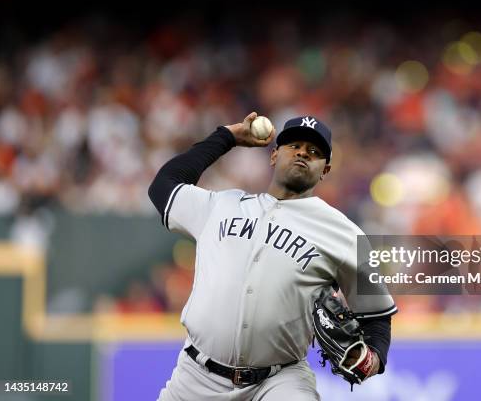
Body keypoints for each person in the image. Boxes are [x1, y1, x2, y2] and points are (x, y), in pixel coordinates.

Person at [148, 112, 397, 400]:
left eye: (315, 152)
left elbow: (377, 316)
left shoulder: (345, 234)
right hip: (195, 377)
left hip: (279, 380)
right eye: (294, 146)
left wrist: (373, 359)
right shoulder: (221, 206)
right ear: (274, 155)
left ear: (324, 170)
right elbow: (164, 184)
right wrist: (227, 137)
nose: (303, 152)